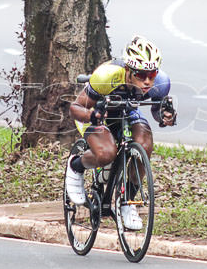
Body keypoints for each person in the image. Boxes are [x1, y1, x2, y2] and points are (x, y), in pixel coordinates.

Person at [65, 36, 177, 229]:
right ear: (128, 70)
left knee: (144, 144)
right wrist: (92, 116)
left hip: (127, 111)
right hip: (99, 113)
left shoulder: (161, 82)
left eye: (152, 74)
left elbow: (156, 111)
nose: (148, 81)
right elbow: (75, 108)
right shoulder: (106, 76)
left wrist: (165, 116)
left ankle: (126, 202)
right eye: (141, 75)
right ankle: (76, 165)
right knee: (106, 153)